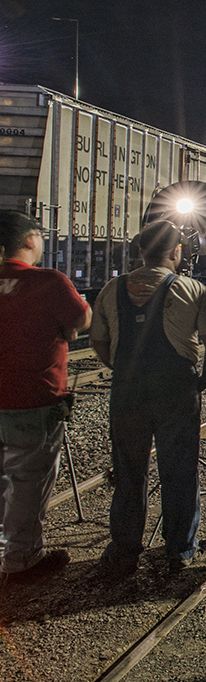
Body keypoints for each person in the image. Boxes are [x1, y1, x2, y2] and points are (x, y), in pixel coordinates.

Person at [91, 219, 206, 575]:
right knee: (179, 469)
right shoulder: (192, 289)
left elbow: (98, 342)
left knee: (128, 470)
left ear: (140, 251)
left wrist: (123, 369)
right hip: (176, 391)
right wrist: (201, 383)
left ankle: (124, 551)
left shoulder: (111, 289)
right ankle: (179, 549)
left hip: (127, 392)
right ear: (177, 252)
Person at [0, 211, 90, 581]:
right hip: (33, 399)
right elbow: (82, 319)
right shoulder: (49, 282)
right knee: (27, 481)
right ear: (30, 240)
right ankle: (22, 560)